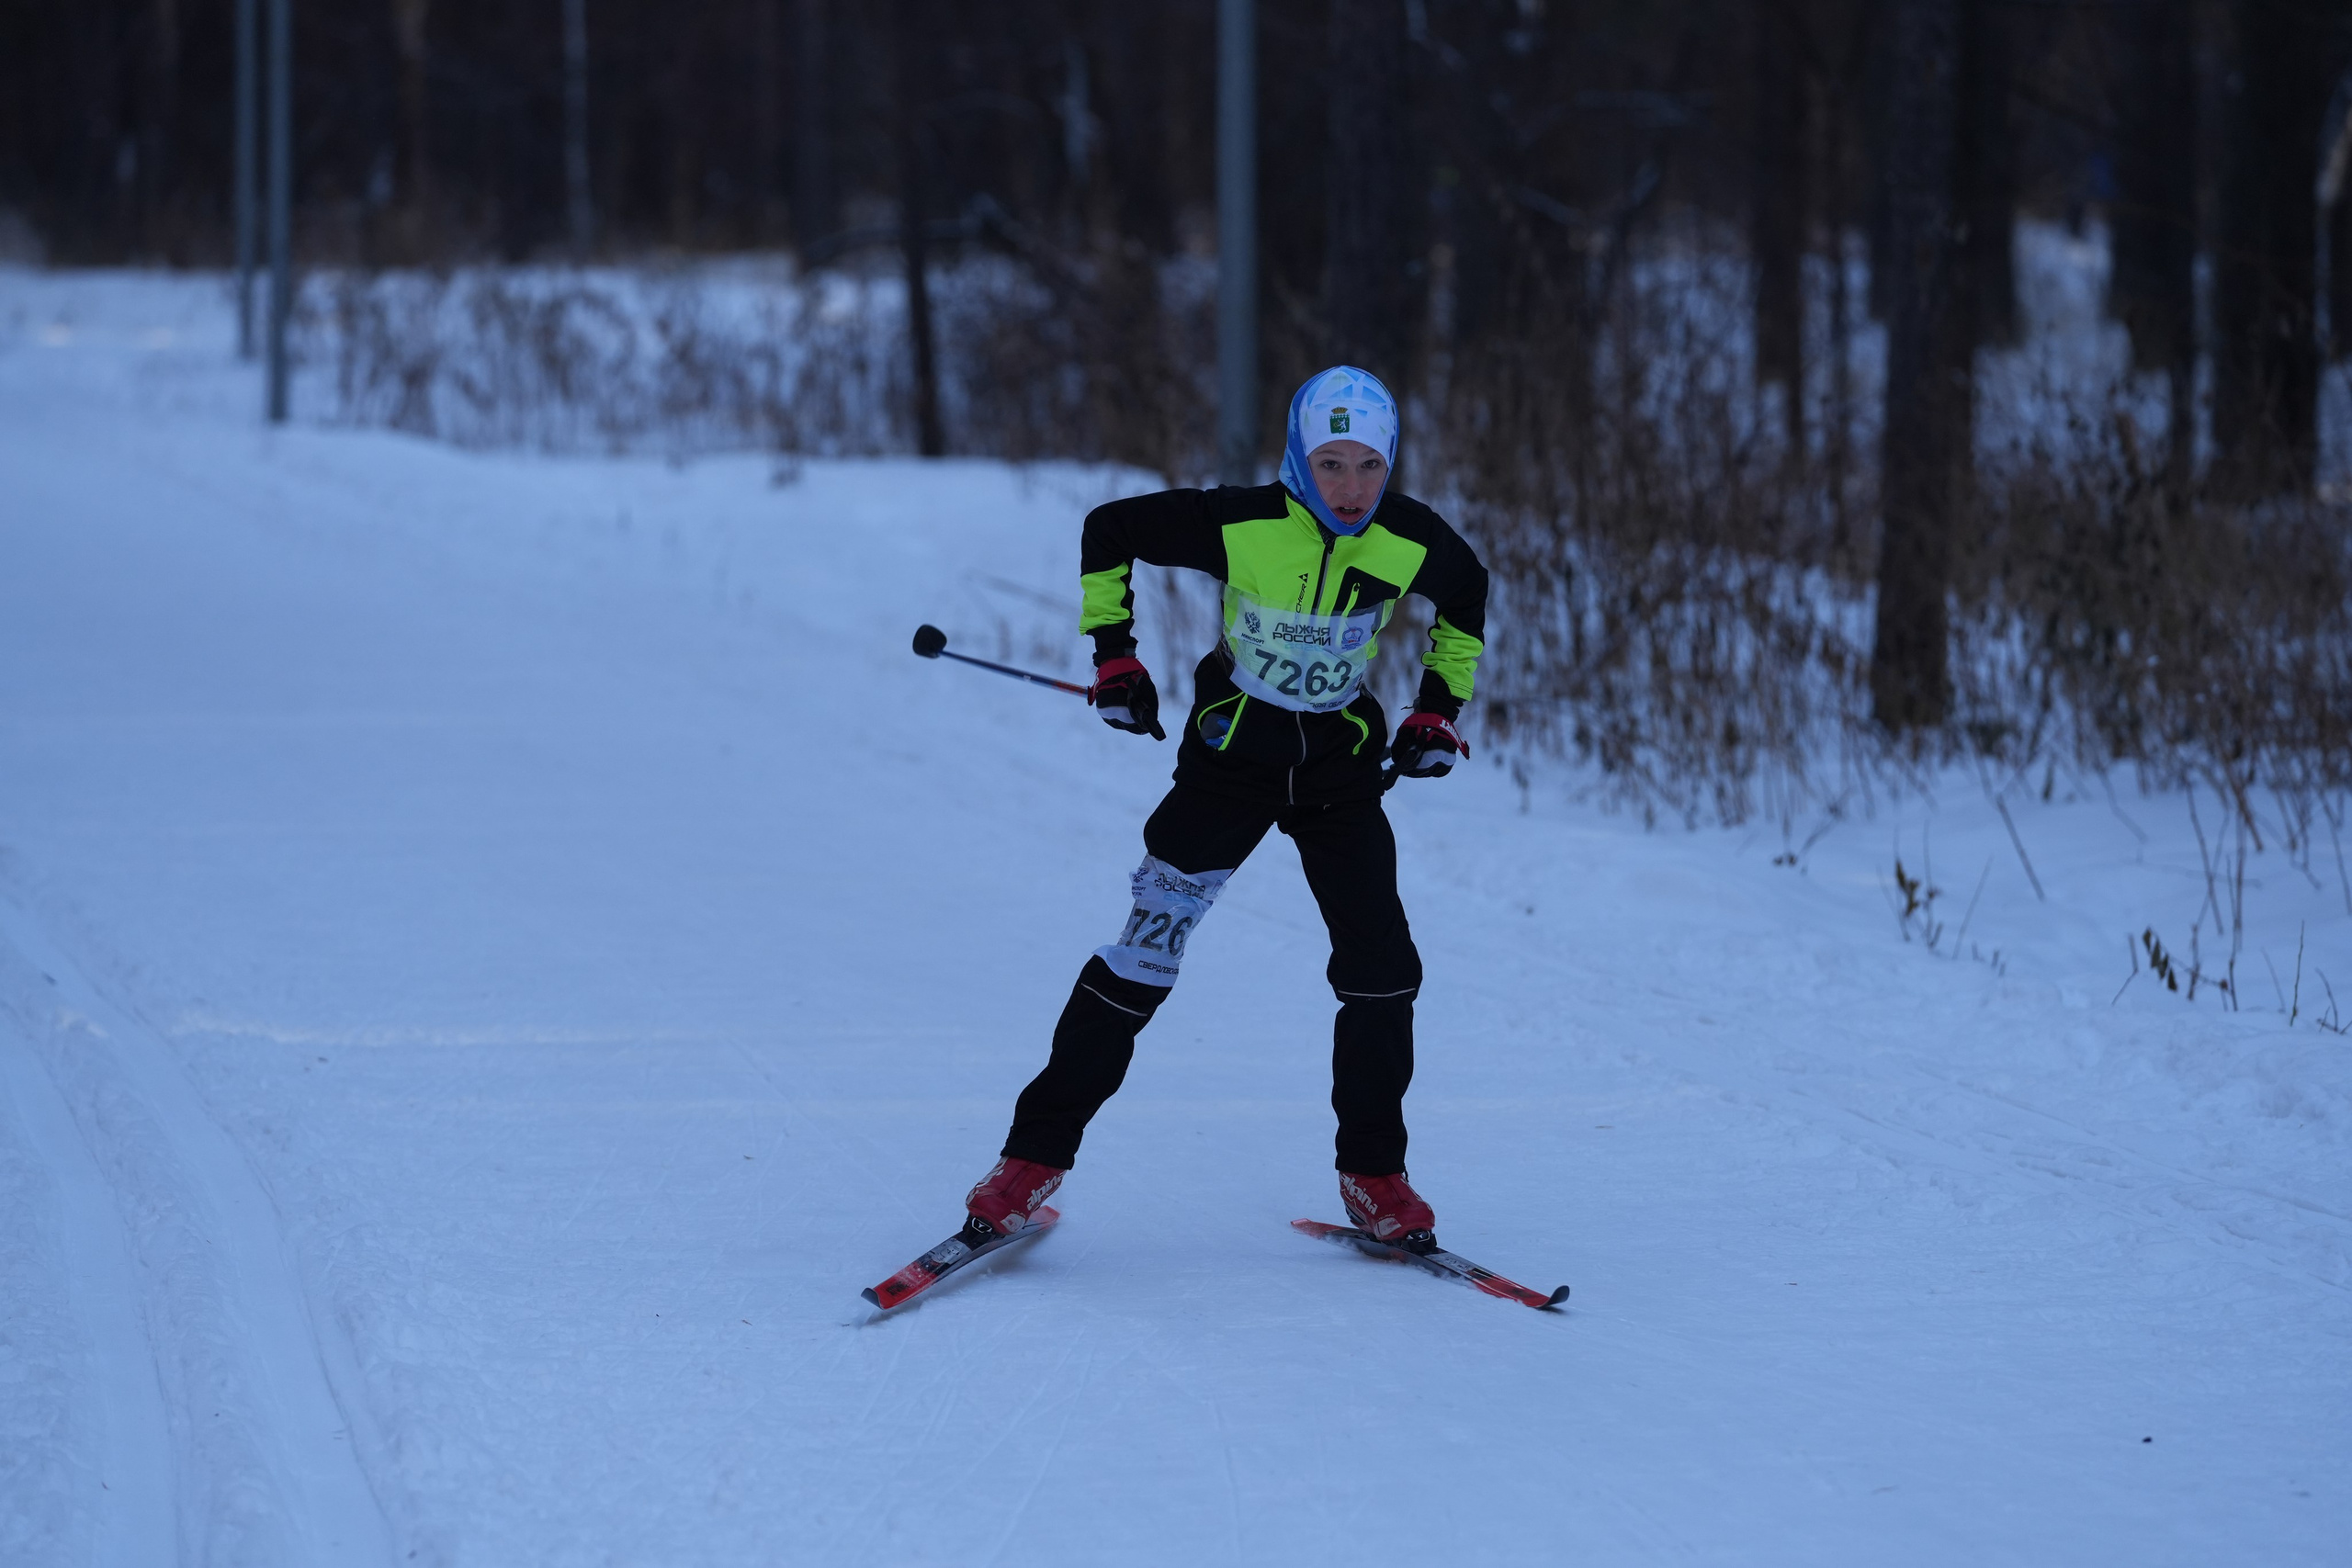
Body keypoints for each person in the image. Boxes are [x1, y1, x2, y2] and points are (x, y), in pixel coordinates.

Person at [959, 366, 1488, 1251]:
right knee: (1143, 957)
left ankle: (1375, 1175)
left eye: (1368, 465)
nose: (1351, 488)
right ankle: (1028, 1162)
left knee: (1384, 970)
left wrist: (1437, 709)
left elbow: (1466, 596)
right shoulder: (1242, 522)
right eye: (1330, 464)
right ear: (1296, 458)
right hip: (1230, 760)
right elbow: (1109, 529)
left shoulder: (1412, 539)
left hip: (1339, 768)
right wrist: (1115, 657)